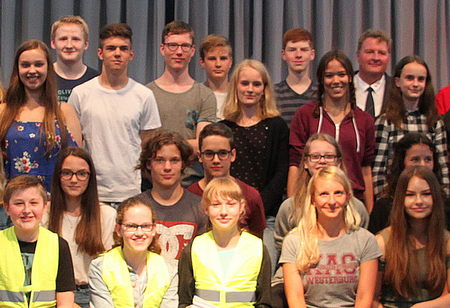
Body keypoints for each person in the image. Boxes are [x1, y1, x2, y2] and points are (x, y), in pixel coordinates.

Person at [69, 23, 161, 204]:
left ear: (131, 55)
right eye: (111, 48)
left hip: (130, 191)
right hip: (90, 192)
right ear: (100, 53)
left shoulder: (144, 96)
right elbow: (73, 148)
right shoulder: (80, 94)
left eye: (123, 49)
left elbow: (149, 147)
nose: (117, 53)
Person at [276, 166, 380, 307]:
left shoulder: (365, 240)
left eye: (338, 193)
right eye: (324, 194)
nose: (332, 201)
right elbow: (296, 300)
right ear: (313, 199)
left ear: (348, 196)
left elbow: (364, 298)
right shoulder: (294, 241)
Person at [289, 50, 375, 211]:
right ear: (321, 80)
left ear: (350, 77)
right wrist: (293, 206)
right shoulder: (305, 115)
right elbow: (295, 164)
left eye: (341, 74)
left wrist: (369, 211)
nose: (336, 80)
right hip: (312, 201)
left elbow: (366, 169)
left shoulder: (365, 120)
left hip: (352, 202)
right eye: (329, 76)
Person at [0, 40, 81, 192]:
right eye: (25, 65)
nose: (32, 70)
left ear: (48, 68)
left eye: (38, 64)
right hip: (14, 204)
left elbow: (77, 164)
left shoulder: (64, 111)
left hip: (55, 203)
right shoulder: (3, 112)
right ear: (17, 69)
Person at [179, 176, 272, 307]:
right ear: (206, 208)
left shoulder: (257, 248)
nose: (223, 212)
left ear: (241, 207)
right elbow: (184, 301)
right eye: (216, 205)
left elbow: (265, 302)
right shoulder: (194, 248)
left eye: (231, 204)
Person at [274, 133, 369, 259]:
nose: (322, 160)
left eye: (329, 156)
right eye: (315, 156)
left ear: (339, 162)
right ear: (306, 163)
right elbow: (282, 247)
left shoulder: (356, 207)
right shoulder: (289, 207)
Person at [42, 147, 116, 307]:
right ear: (58, 176)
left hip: (95, 293)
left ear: (90, 177)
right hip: (53, 294)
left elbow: (110, 267)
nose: (74, 180)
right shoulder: (44, 214)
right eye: (67, 173)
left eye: (81, 174)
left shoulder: (107, 214)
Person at [147, 21, 216, 186]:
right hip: (151, 185)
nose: (179, 51)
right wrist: (186, 144)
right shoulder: (146, 94)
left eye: (185, 46)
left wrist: (163, 147)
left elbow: (202, 145)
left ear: (192, 51)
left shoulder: (205, 95)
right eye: (172, 45)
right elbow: (146, 147)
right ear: (162, 49)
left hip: (192, 184)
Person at [373, 55, 449, 198]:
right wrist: (384, 202)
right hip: (395, 197)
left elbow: (443, 168)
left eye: (421, 79)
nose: (415, 84)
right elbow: (378, 171)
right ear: (397, 82)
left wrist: (444, 200)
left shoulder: (435, 122)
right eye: (409, 78)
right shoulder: (385, 122)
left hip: (429, 199)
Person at [374, 166, 450, 307]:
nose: (419, 201)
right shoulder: (382, 242)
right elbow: (372, 298)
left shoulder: (447, 242)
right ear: (400, 199)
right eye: (410, 195)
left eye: (426, 194)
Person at [135, 130, 207, 268]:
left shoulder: (200, 207)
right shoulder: (134, 208)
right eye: (160, 160)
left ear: (183, 164)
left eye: (174, 160)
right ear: (149, 164)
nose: (167, 167)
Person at [0, 175, 75, 307]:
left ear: (45, 206)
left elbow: (65, 296)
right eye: (18, 203)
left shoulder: (58, 245)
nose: (26, 210)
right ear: (7, 208)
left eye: (34, 203)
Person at [89, 196, 175, 307]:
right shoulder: (99, 267)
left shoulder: (169, 270)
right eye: (131, 226)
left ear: (154, 229)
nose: (139, 233)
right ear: (119, 230)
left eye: (145, 226)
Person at [187, 122, 266, 238]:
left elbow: (257, 240)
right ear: (200, 156)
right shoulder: (190, 195)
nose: (216, 160)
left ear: (233, 155)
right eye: (209, 154)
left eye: (222, 153)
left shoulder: (250, 195)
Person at [369, 132, 448, 234]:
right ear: (402, 162)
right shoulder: (384, 207)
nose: (423, 165)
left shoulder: (445, 204)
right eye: (415, 159)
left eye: (428, 159)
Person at [274, 28, 317, 127]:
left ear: (312, 54)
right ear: (283, 54)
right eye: (292, 50)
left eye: (304, 50)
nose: (298, 55)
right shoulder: (272, 93)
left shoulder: (322, 94)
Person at [50, 16, 99, 103]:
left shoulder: (97, 80)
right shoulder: (43, 77)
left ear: (86, 44)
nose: (69, 45)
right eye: (63, 39)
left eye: (76, 39)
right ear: (53, 43)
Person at [354, 29, 392, 118]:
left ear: (389, 57)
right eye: (369, 52)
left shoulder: (398, 90)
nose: (376, 58)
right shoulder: (344, 87)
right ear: (358, 55)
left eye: (381, 53)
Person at [200, 34, 233, 119]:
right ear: (202, 62)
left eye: (223, 58)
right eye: (212, 59)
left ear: (230, 62)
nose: (218, 64)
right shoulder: (197, 94)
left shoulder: (239, 95)